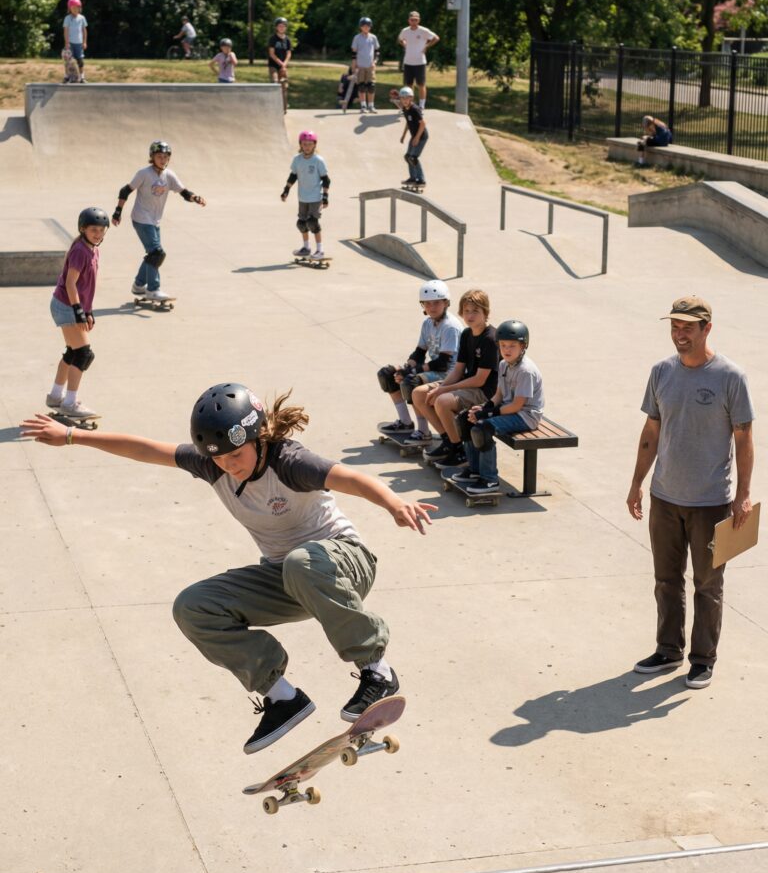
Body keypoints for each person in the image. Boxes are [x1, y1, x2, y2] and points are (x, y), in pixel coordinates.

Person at [20, 386, 436, 754]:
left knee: (301, 561)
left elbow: (350, 478)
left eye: (236, 455)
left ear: (258, 439)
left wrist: (394, 504)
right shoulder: (211, 464)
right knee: (193, 606)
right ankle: (282, 697)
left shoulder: (289, 461)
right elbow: (145, 448)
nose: (228, 466)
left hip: (344, 562)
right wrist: (72, 436)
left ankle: (377, 670)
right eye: (218, 459)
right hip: (288, 578)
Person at [627, 297, 755, 690]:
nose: (679, 334)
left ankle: (702, 659)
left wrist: (743, 494)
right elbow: (651, 430)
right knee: (666, 579)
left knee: (707, 585)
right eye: (675, 327)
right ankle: (668, 650)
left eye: (688, 327)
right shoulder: (661, 372)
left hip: (711, 502)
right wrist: (637, 482)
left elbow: (744, 438)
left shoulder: (730, 377)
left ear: (706, 329)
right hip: (665, 496)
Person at [455, 320, 544, 495]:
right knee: (465, 418)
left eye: (512, 346)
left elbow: (517, 405)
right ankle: (474, 470)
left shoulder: (525, 371)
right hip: (509, 409)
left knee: (483, 428)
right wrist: (484, 407)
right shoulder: (503, 364)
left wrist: (488, 414)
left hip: (526, 416)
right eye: (503, 345)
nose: (507, 350)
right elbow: (499, 395)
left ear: (523, 346)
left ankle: (489, 480)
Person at [111, 140, 206, 303]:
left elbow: (183, 192)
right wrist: (118, 212)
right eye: (159, 156)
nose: (163, 160)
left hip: (154, 220)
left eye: (165, 157)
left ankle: (138, 285)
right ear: (152, 157)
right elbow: (125, 191)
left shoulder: (169, 175)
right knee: (157, 253)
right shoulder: (144, 173)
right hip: (141, 218)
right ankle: (153, 289)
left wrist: (195, 198)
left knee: (153, 254)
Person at [411, 289, 498, 467]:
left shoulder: (490, 338)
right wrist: (440, 387)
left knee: (442, 401)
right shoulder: (466, 334)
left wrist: (444, 389)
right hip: (467, 384)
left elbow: (480, 380)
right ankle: (448, 441)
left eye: (475, 311)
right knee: (419, 394)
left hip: (486, 392)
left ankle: (459, 451)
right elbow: (458, 370)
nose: (470, 316)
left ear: (485, 312)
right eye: (466, 311)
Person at [45, 207, 109, 421]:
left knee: (73, 352)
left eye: (101, 230)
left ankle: (55, 396)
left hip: (69, 304)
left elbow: (86, 286)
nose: (98, 234)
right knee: (83, 354)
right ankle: (70, 403)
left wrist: (88, 311)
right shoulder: (80, 251)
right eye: (93, 230)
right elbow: (71, 283)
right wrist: (79, 312)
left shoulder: (93, 249)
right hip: (66, 305)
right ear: (83, 229)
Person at [377, 279, 463, 438]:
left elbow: (442, 363)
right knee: (388, 374)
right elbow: (419, 353)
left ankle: (423, 431)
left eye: (436, 303)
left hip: (450, 374)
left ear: (446, 303)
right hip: (437, 369)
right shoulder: (428, 323)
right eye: (427, 303)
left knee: (411, 382)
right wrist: (407, 368)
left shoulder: (450, 327)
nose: (431, 307)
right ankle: (405, 422)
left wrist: (412, 372)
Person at [281, 130, 330, 262]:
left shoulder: (318, 160)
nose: (307, 147)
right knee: (302, 224)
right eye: (304, 144)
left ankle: (320, 250)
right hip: (302, 197)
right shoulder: (297, 160)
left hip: (315, 197)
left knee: (313, 223)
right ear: (300, 145)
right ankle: (306, 248)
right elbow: (293, 176)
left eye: (309, 144)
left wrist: (325, 196)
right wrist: (286, 190)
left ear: (314, 145)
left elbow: (326, 180)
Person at [398, 10, 439, 109]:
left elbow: (436, 38)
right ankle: (409, 105)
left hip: (420, 62)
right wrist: (404, 44)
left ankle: (421, 105)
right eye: (412, 20)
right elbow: (400, 39)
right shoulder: (405, 31)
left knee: (421, 84)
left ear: (419, 20)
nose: (414, 22)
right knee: (408, 85)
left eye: (416, 20)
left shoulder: (423, 30)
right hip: (408, 62)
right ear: (409, 20)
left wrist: (427, 46)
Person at [398, 86, 428, 187]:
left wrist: (417, 138)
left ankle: (421, 180)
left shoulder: (415, 109)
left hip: (421, 136)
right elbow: (408, 122)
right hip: (414, 136)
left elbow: (423, 124)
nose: (404, 101)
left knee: (413, 157)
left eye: (407, 98)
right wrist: (403, 135)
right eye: (402, 98)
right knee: (408, 157)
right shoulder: (405, 109)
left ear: (411, 98)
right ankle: (413, 178)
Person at [351, 17, 380, 113]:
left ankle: (371, 106)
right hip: (360, 66)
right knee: (361, 86)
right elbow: (354, 53)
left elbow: (377, 51)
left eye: (368, 26)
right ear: (360, 27)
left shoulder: (373, 37)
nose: (366, 27)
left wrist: (375, 62)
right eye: (364, 26)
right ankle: (363, 106)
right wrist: (354, 65)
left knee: (371, 86)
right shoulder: (357, 38)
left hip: (370, 66)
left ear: (370, 27)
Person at [268, 17, 292, 112]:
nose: (281, 28)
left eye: (283, 26)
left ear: (286, 27)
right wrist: (281, 63)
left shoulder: (287, 40)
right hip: (274, 65)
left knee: (283, 86)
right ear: (276, 27)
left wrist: (284, 64)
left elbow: (289, 53)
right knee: (274, 83)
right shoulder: (273, 39)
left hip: (283, 66)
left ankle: (283, 108)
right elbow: (271, 53)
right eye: (279, 26)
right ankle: (273, 106)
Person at [63, 0, 88, 84]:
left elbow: (84, 31)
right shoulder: (67, 18)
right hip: (70, 43)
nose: (75, 9)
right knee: (68, 61)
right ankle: (66, 77)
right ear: (69, 8)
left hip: (79, 44)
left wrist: (84, 42)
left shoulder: (82, 18)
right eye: (73, 8)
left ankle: (82, 77)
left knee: (80, 61)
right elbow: (66, 31)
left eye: (77, 7)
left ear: (80, 8)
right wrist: (67, 42)